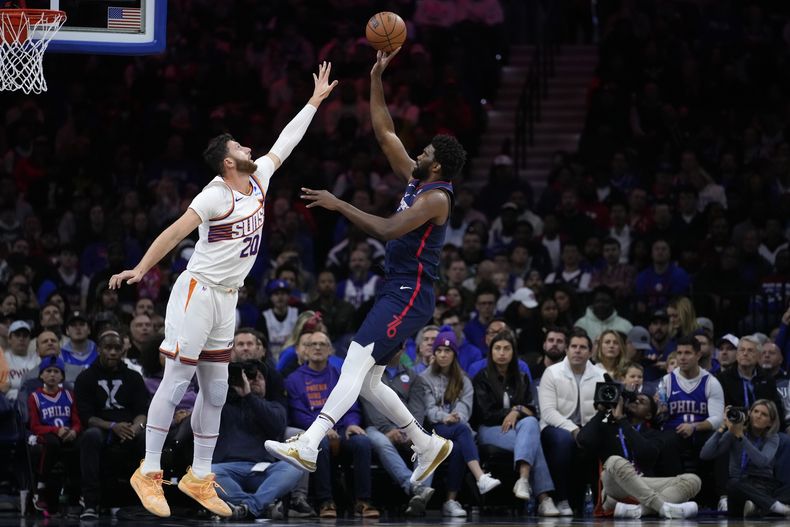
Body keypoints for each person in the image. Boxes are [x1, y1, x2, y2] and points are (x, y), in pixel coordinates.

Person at [110, 62, 337, 518]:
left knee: (216, 392)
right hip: (198, 291)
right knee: (176, 380)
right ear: (228, 162)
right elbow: (175, 232)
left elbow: (285, 144)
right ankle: (149, 471)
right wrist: (140, 267)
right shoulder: (214, 195)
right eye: (239, 145)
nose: (250, 146)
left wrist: (313, 102)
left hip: (227, 299)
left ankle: (199, 476)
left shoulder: (257, 179)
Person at [265, 48, 466, 486]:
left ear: (436, 165)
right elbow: (385, 132)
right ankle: (427, 445)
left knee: (354, 360)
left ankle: (311, 441)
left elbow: (389, 229)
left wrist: (339, 204)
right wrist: (376, 76)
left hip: (409, 292)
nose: (419, 151)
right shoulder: (419, 177)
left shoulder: (436, 197)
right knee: (371, 382)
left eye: (426, 150)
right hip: (399, 289)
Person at [473, 330, 559, 515]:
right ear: (491, 352)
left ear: (513, 352)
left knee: (530, 425)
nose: (502, 353)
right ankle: (544, 499)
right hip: (490, 429)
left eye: (506, 348)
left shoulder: (522, 376)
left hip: (520, 428)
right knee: (533, 444)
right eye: (497, 348)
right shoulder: (482, 377)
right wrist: (513, 411)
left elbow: (531, 411)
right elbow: (486, 414)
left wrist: (517, 411)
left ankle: (524, 480)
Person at [416, 330, 501, 516]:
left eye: (447, 350)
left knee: (458, 447)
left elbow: (465, 408)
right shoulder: (424, 378)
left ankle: (450, 502)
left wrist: (456, 417)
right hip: (433, 429)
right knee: (463, 432)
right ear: (434, 353)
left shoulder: (464, 380)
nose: (443, 354)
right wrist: (444, 417)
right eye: (439, 350)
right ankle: (480, 477)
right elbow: (428, 410)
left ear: (454, 354)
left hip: (455, 429)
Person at [577, 393, 701, 519]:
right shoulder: (608, 428)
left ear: (648, 415)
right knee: (614, 461)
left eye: (642, 401)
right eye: (634, 400)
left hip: (643, 485)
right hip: (616, 487)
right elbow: (583, 440)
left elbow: (646, 454)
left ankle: (638, 511)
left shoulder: (655, 434)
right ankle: (663, 507)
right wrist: (602, 411)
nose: (636, 401)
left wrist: (623, 421)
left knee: (693, 480)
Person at [212, 359, 303, 520]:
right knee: (206, 472)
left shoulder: (274, 406)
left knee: (294, 464)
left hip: (262, 470)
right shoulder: (222, 406)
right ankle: (259, 506)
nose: (254, 381)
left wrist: (249, 396)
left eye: (259, 378)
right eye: (249, 377)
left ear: (266, 384)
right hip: (227, 470)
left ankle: (246, 507)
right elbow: (206, 398)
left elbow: (277, 427)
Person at [74, 330, 150, 519]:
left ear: (123, 350)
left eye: (117, 348)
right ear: (99, 349)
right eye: (108, 348)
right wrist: (112, 426)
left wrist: (135, 428)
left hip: (131, 427)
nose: (113, 352)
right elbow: (87, 417)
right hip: (102, 427)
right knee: (91, 436)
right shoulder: (86, 377)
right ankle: (90, 503)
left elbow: (142, 412)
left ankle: (147, 500)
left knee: (147, 437)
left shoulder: (134, 377)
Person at [539, 328, 605, 515]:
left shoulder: (600, 374)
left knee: (603, 439)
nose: (577, 350)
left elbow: (605, 410)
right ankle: (562, 499)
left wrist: (588, 430)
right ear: (566, 350)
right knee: (564, 440)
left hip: (588, 427)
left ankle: (603, 501)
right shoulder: (552, 373)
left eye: (583, 347)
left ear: (590, 352)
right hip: (555, 427)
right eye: (573, 346)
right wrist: (574, 429)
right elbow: (548, 412)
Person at [700, 400, 790, 517]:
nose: (758, 416)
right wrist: (722, 427)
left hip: (765, 486)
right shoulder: (733, 433)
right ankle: (774, 507)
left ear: (770, 422)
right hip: (741, 486)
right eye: (755, 411)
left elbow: (762, 461)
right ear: (749, 414)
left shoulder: (772, 438)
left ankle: (758, 508)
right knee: (733, 484)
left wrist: (741, 437)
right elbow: (705, 454)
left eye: (764, 414)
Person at [27, 356, 82, 514]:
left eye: (56, 371)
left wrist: (74, 431)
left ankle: (77, 492)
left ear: (62, 376)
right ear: (41, 375)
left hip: (67, 434)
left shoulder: (70, 395)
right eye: (48, 371)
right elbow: (35, 426)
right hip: (48, 435)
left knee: (79, 443)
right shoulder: (35, 397)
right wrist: (55, 430)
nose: (52, 374)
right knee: (52, 443)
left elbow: (77, 421)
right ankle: (41, 487)